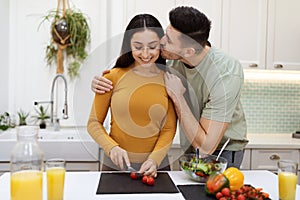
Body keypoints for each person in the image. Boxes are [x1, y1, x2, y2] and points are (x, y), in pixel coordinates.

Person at [91, 6, 248, 168]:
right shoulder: (172, 60)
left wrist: (178, 96)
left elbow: (206, 148)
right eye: (166, 33)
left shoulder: (225, 73)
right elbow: (135, 72)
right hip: (190, 147)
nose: (162, 41)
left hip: (221, 151)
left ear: (188, 52)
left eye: (169, 40)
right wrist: (100, 83)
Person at [87, 14, 177, 177]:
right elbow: (94, 123)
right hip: (116, 166)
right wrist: (112, 147)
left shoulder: (169, 79)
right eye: (138, 46)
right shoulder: (111, 77)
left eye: (152, 46)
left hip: (156, 167)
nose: (145, 53)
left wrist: (154, 160)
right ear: (129, 46)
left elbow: (169, 128)